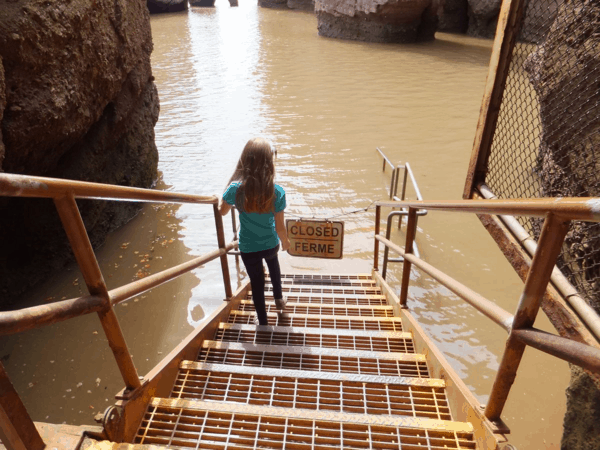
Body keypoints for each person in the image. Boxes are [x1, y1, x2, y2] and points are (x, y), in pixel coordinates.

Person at [219, 137, 290, 326]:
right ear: (269, 163)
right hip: (270, 243)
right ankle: (279, 300)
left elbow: (222, 211)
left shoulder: (235, 189)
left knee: (257, 283)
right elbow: (280, 226)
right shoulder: (277, 192)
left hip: (248, 247)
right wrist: (285, 242)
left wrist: (229, 187)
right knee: (274, 266)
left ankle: (263, 322)